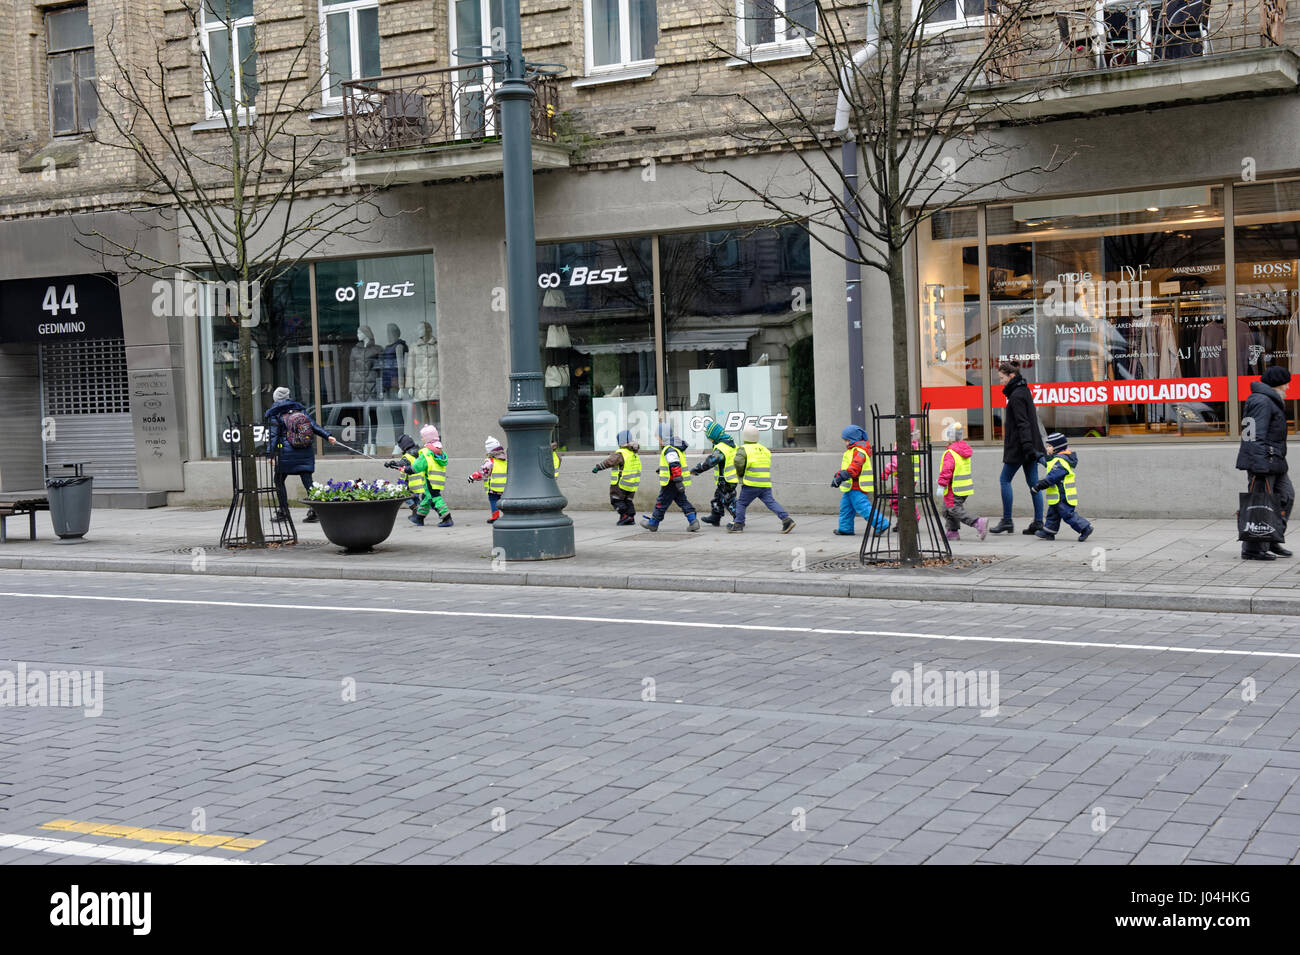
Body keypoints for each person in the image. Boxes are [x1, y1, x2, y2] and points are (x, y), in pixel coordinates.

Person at [1236, 365, 1292, 561]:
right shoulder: (1262, 401)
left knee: (1286, 496)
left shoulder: (1269, 400)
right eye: (1286, 384)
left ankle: (1271, 537)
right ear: (1277, 384)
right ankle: (1253, 548)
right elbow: (1252, 436)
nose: (1288, 388)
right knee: (1260, 503)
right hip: (1263, 462)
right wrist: (1258, 465)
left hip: (1275, 460)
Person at [989, 361, 1046, 535]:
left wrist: (1027, 447)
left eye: (1002, 378)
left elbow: (1023, 424)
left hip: (1020, 447)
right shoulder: (1023, 391)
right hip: (1029, 447)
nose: (1000, 382)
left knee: (1004, 480)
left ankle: (1007, 520)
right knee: (1034, 484)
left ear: (1011, 376)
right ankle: (1038, 522)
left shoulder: (1016, 396)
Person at [265, 385, 335, 522]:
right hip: (305, 450)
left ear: (275, 398)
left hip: (286, 453)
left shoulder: (275, 413)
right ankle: (316, 511)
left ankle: (284, 512)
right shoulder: (300, 409)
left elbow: (273, 436)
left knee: (278, 480)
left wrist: (270, 454)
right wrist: (328, 436)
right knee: (307, 480)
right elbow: (313, 426)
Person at [729, 424, 796, 534]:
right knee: (771, 502)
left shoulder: (744, 449)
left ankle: (738, 524)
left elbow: (738, 462)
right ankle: (787, 520)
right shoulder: (765, 449)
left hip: (751, 483)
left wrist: (740, 474)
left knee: (741, 503)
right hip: (765, 483)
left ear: (744, 437)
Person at [1032, 432, 1093, 542]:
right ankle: (1048, 532)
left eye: (1050, 446)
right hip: (1058, 495)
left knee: (1067, 515)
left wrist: (1039, 485)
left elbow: (1052, 477)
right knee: (1053, 514)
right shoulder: (1057, 459)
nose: (1047, 448)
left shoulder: (1060, 461)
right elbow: (1048, 463)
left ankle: (1085, 528)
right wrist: (1039, 457)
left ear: (1057, 448)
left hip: (1063, 495)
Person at [831, 424, 889, 536]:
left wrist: (842, 476)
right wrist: (837, 476)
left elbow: (855, 467)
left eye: (846, 440)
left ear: (852, 439)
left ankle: (881, 524)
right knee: (846, 508)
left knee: (863, 507)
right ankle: (845, 528)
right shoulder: (851, 451)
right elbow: (847, 467)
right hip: (850, 486)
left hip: (858, 486)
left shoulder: (859, 451)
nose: (845, 442)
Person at [642, 423, 699, 532]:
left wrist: (677, 480)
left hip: (671, 482)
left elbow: (674, 464)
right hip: (676, 481)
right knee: (683, 501)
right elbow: (673, 463)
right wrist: (662, 469)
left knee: (661, 502)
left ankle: (653, 523)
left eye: (658, 437)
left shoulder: (669, 449)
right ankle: (693, 521)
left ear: (663, 436)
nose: (658, 440)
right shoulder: (675, 448)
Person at [936, 423, 988, 541]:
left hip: (954, 487)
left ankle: (977, 522)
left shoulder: (950, 453)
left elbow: (947, 470)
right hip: (964, 487)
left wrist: (941, 485)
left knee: (953, 509)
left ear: (950, 438)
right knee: (946, 509)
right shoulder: (962, 450)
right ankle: (952, 532)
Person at [397, 425, 452, 527]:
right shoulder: (439, 451)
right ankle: (419, 518)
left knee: (434, 499)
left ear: (427, 439)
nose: (421, 439)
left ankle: (446, 518)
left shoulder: (426, 452)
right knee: (426, 498)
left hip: (429, 479)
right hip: (437, 479)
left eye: (422, 437)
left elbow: (417, 467)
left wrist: (406, 469)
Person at [689, 420, 738, 526]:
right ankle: (715, 516)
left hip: (726, 479)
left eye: (709, 437)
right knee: (718, 498)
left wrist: (697, 469)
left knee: (728, 500)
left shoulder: (721, 448)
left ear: (715, 435)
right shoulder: (731, 444)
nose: (709, 440)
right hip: (730, 478)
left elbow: (710, 462)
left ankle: (738, 519)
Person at [591, 429, 641, 526]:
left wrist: (598, 467)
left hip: (620, 483)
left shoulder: (620, 453)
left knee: (616, 499)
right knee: (628, 500)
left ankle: (624, 516)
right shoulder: (634, 453)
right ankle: (631, 517)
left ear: (620, 441)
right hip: (632, 484)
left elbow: (609, 462)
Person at [468, 436, 507, 524]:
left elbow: (483, 473)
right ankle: (508, 516)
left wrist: (472, 477)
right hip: (504, 487)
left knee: (493, 500)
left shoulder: (490, 461)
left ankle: (495, 516)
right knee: (504, 501)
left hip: (493, 487)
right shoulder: (505, 460)